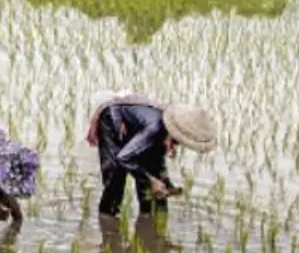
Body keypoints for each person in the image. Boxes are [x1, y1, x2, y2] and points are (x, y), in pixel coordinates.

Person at [85, 93, 217, 218]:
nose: (176, 145)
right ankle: (108, 223)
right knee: (115, 180)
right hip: (114, 121)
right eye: (176, 141)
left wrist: (166, 184)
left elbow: (157, 164)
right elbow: (123, 157)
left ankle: (148, 221)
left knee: (152, 185)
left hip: (138, 128)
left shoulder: (162, 131)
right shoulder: (154, 128)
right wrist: (151, 180)